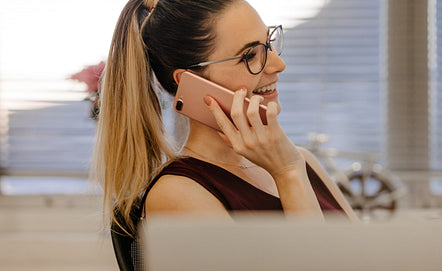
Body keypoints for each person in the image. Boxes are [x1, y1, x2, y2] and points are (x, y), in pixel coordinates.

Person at [94, 0, 359, 235]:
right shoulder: (178, 194)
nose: (278, 64)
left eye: (268, 44)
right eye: (250, 55)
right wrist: (288, 174)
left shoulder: (301, 160)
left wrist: (291, 168)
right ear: (192, 81)